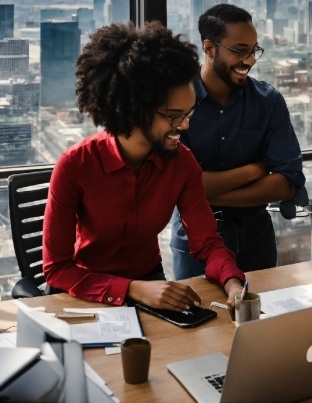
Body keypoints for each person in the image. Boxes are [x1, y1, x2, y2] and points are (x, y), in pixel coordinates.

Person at [42, 21, 245, 309]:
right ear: (134, 110)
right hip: (84, 290)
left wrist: (232, 282)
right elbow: (57, 268)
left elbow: (207, 243)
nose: (185, 125)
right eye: (174, 116)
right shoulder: (76, 165)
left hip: (149, 281)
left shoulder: (182, 163)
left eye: (188, 113)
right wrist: (133, 290)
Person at [170, 4, 305, 278]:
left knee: (263, 318)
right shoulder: (176, 102)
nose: (250, 60)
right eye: (239, 50)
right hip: (195, 241)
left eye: (254, 50)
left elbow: (286, 182)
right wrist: (253, 171)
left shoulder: (268, 102)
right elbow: (175, 183)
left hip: (257, 240)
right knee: (204, 319)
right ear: (209, 48)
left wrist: (205, 193)